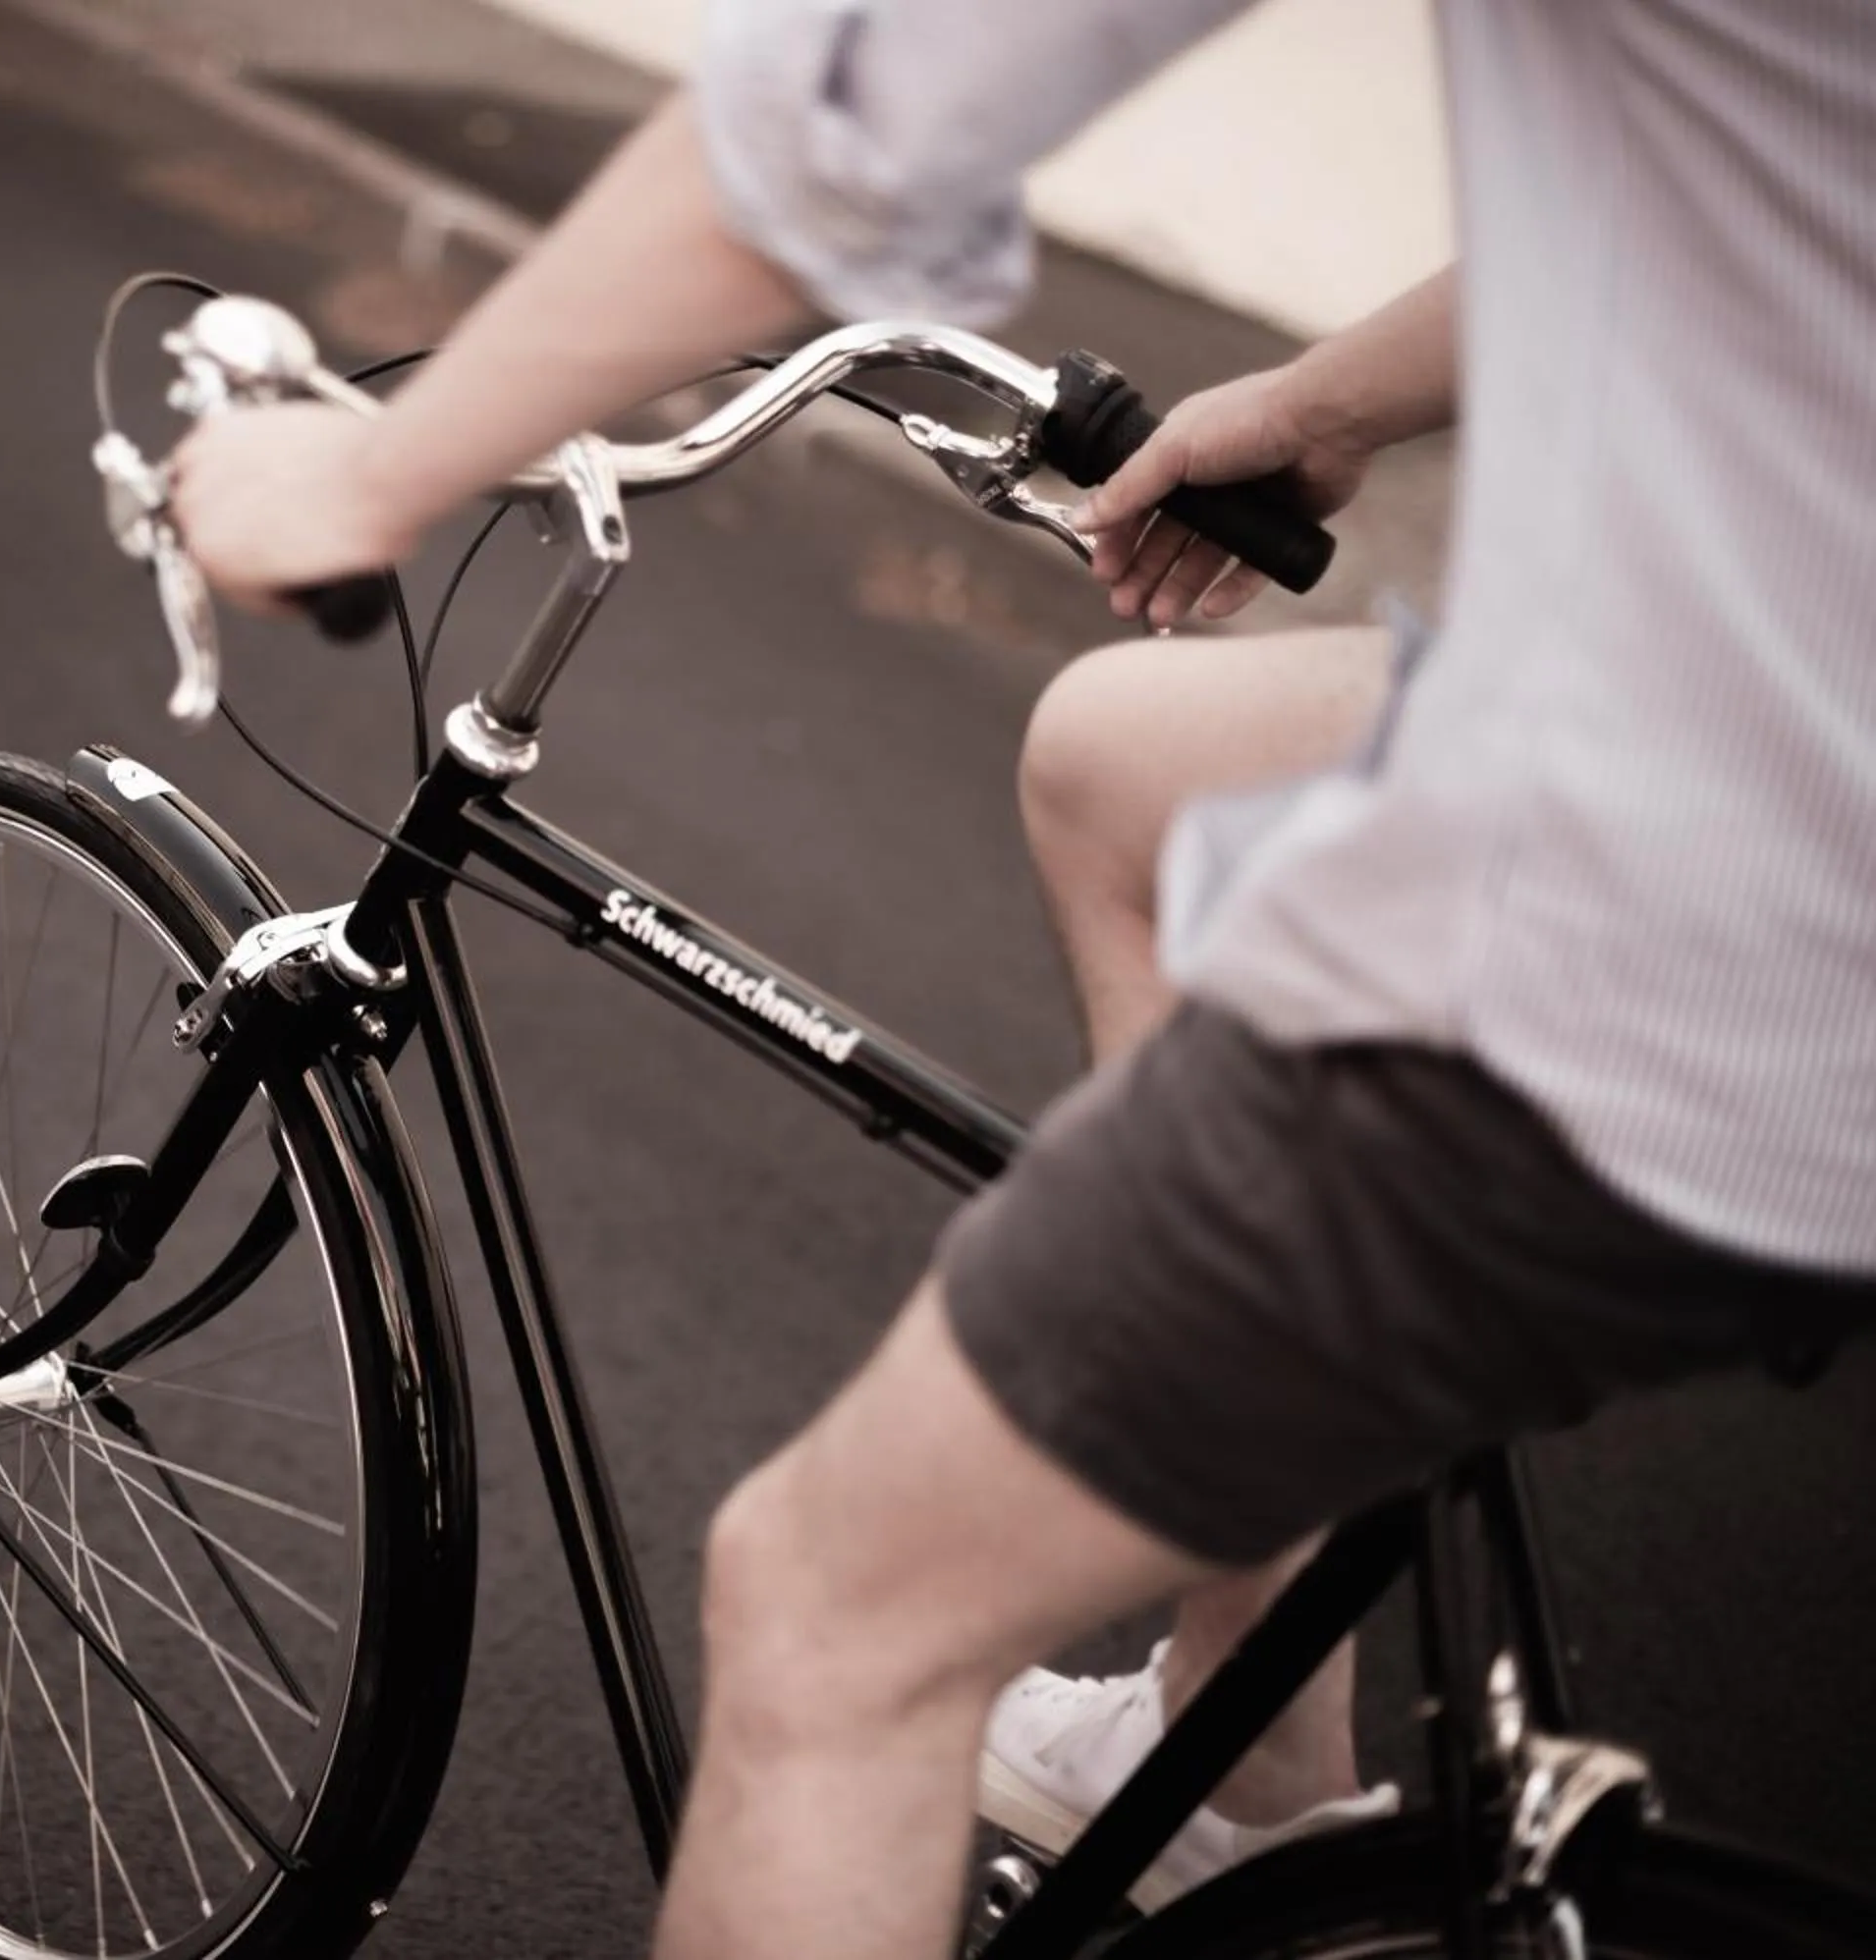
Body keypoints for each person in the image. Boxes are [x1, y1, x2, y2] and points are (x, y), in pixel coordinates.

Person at [170, 4, 1876, 1955]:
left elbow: (873, 103)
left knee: (830, 1616)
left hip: (1714, 900)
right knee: (1123, 756)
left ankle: (1287, 1349)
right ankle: (1247, 1764)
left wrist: (371, 470)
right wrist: (1326, 401)